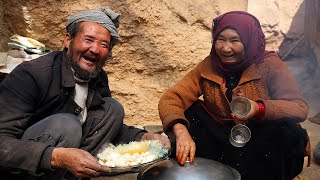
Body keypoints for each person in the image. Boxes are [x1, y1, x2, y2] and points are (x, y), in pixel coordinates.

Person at [0, 8, 170, 180]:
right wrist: (56, 157)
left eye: (104, 45)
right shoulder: (33, 74)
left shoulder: (97, 76)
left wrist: (143, 137)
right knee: (67, 124)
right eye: (88, 40)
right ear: (68, 40)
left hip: (64, 158)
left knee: (113, 109)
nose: (95, 49)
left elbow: (105, 127)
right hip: (23, 167)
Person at [158, 11, 308, 180]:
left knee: (288, 131)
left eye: (235, 40)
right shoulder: (209, 65)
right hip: (221, 138)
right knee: (189, 114)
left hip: (260, 139)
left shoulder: (270, 65)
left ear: (249, 40)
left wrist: (259, 108)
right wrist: (181, 132)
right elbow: (172, 97)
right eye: (220, 39)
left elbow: (299, 108)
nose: (226, 48)